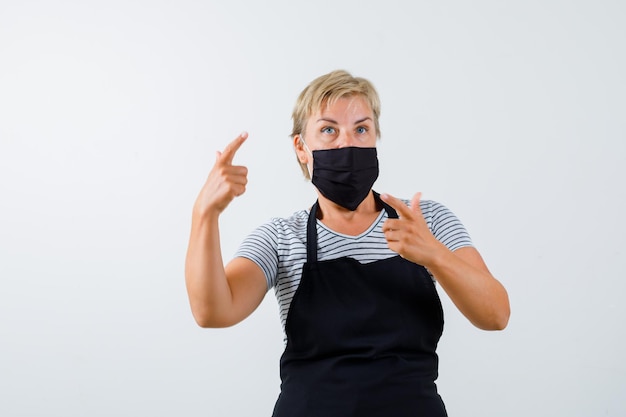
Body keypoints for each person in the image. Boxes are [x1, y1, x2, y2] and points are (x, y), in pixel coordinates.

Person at [185, 70, 510, 417]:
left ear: (375, 137)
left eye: (361, 129)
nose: (347, 143)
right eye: (328, 130)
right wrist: (204, 214)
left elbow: (496, 314)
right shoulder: (281, 237)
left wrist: (434, 255)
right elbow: (212, 312)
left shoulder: (423, 221)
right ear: (301, 148)